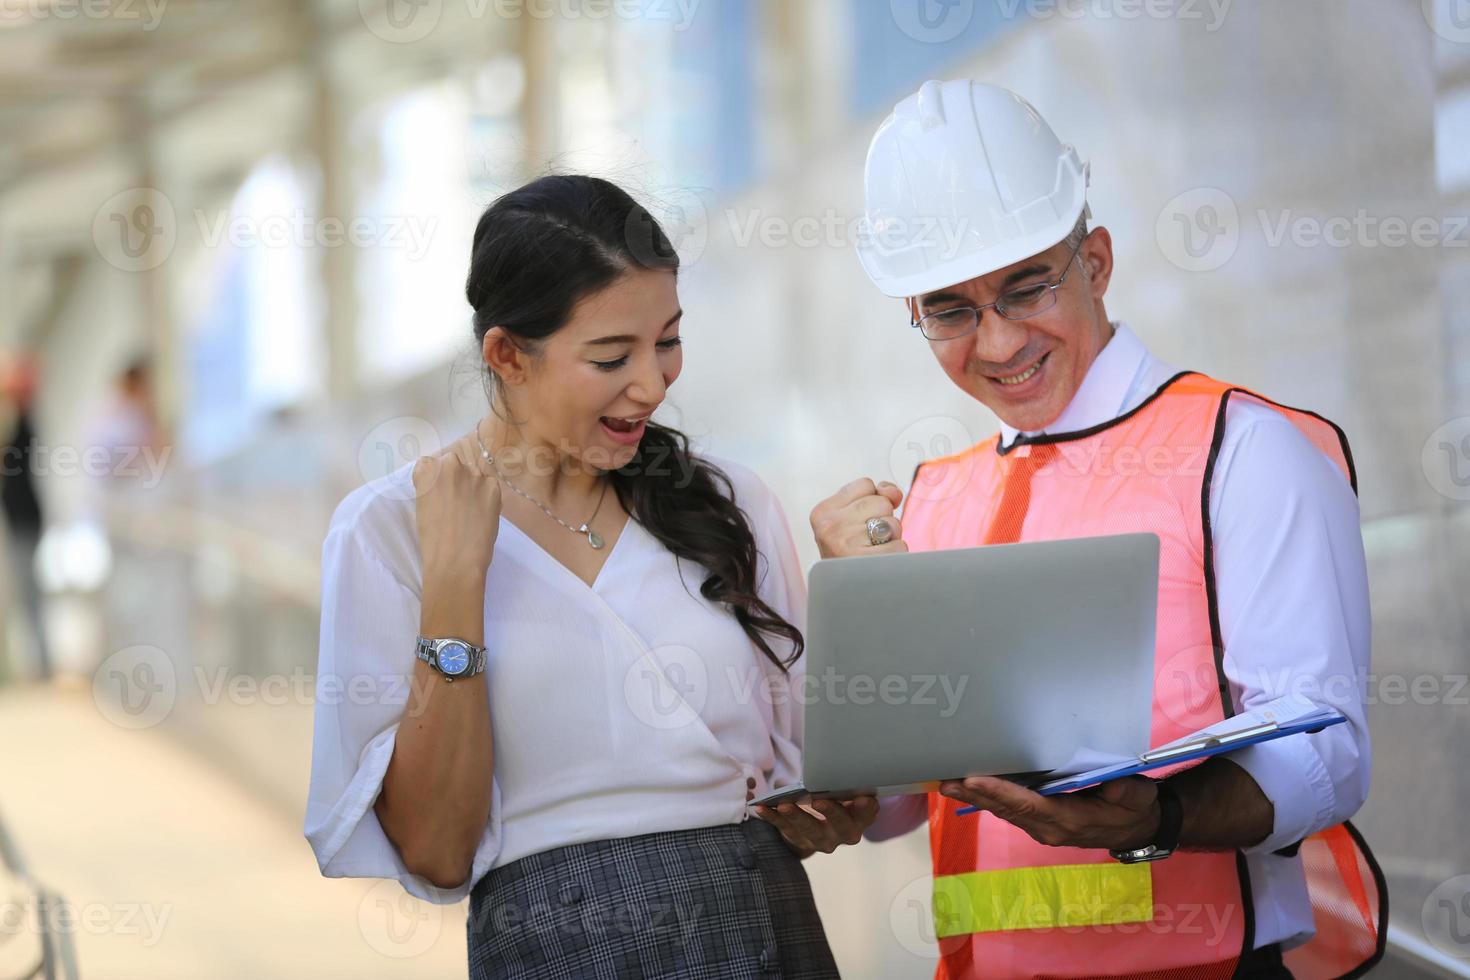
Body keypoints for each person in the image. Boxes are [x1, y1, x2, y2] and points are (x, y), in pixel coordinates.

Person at [810, 80, 1385, 979]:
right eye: (951, 310)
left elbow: (1329, 755)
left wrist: (1160, 818)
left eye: (1026, 287)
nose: (997, 344)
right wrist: (840, 775)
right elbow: (903, 804)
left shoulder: (1243, 448)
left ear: (1098, 262)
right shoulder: (927, 497)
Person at [305, 175, 875, 979]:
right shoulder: (389, 530)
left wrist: (864, 606)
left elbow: (831, 772)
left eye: (669, 340)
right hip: (552, 950)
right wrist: (455, 584)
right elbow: (435, 851)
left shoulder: (729, 502)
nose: (653, 384)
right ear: (507, 355)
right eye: (612, 356)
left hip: (763, 924)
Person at [0, 350, 52, 682]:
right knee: (24, 592)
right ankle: (36, 663)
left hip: (24, 518)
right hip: (20, 517)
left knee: (27, 592)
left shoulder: (23, 425)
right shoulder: (18, 423)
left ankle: (40, 664)